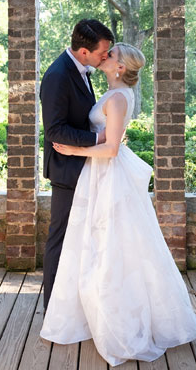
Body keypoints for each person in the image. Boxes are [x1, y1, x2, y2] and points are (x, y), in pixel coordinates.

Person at [40, 43, 196, 367]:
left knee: (110, 245)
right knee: (104, 243)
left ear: (120, 67)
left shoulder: (116, 98)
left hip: (107, 172)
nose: (105, 56)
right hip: (100, 175)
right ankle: (92, 312)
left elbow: (112, 149)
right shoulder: (115, 93)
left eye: (110, 55)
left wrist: (74, 152)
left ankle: (117, 321)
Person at [40, 18, 114, 313]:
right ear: (84, 52)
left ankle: (75, 304)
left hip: (85, 166)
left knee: (81, 239)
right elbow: (55, 130)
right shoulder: (58, 75)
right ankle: (53, 311)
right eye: (102, 53)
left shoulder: (82, 70)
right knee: (59, 238)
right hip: (66, 169)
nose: (105, 57)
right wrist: (98, 138)